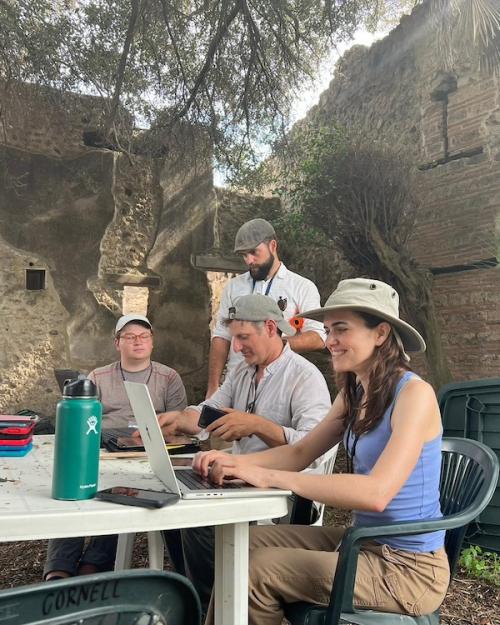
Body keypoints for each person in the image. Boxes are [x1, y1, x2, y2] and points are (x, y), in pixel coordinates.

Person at [195, 278, 450, 625]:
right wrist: (235, 462)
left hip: (406, 568)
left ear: (381, 334)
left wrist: (267, 475)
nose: (329, 341)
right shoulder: (355, 393)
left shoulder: (413, 395)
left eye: (341, 330)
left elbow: (377, 493)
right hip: (361, 544)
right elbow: (301, 452)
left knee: (256, 570)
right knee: (240, 544)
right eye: (328, 330)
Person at [158, 294, 332, 610]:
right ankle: (201, 604)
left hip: (285, 493)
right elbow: (209, 412)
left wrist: (257, 425)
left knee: (197, 522)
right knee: (170, 506)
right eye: (234, 338)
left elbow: (314, 449)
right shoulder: (242, 372)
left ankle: (218, 607)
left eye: (242, 338)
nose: (236, 348)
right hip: (240, 481)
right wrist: (179, 420)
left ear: (270, 327)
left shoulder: (305, 377)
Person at [43, 313, 187, 581]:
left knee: (119, 494)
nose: (138, 341)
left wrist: (151, 435)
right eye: (130, 336)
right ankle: (59, 567)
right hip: (101, 448)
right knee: (73, 488)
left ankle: (94, 565)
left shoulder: (168, 377)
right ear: (117, 343)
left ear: (152, 342)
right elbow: (85, 417)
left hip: (147, 453)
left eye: (144, 336)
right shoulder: (99, 376)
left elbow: (180, 425)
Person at [207, 218, 326, 397]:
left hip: (281, 385)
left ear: (272, 245)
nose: (249, 260)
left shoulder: (302, 286)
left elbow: (318, 337)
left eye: (254, 252)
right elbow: (221, 336)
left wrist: (274, 346)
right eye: (244, 255)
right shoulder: (233, 286)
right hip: (235, 383)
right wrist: (213, 386)